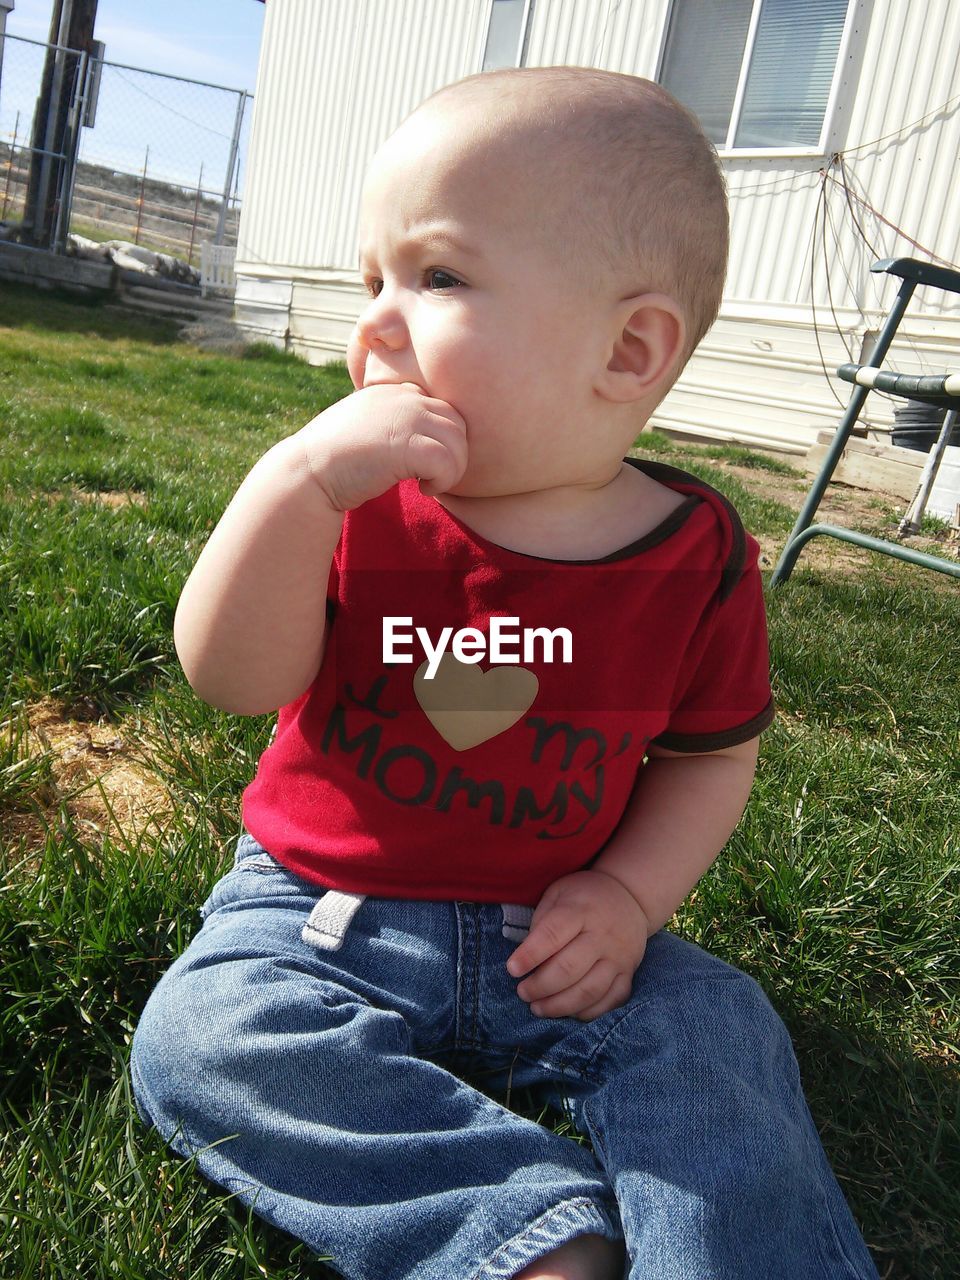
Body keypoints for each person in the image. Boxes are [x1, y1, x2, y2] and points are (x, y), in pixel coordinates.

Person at [130, 67, 879, 1280]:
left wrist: (632, 899)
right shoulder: (363, 504)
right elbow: (229, 673)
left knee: (718, 1025)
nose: (374, 319)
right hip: (320, 907)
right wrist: (294, 488)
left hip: (561, 924)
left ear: (627, 349)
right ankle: (526, 1233)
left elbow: (711, 755)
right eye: (374, 276)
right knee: (202, 1034)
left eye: (437, 277)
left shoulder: (696, 560)